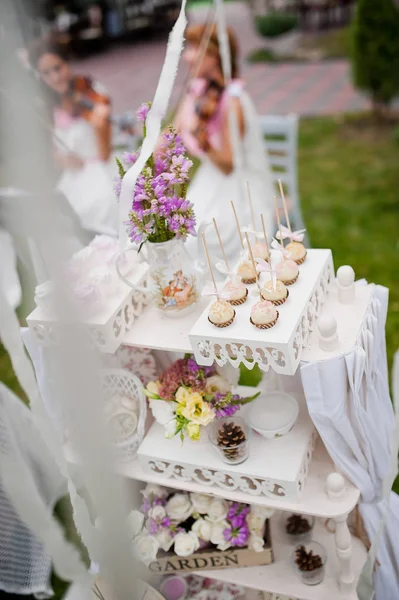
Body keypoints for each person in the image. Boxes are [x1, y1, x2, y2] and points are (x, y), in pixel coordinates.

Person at [173, 24, 276, 265]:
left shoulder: (233, 100)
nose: (187, 56)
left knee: (199, 237)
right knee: (178, 228)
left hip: (239, 186)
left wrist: (204, 144)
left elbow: (229, 165)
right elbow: (171, 133)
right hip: (211, 179)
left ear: (215, 55)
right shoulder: (199, 91)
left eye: (195, 49)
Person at [28, 39, 118, 235]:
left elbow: (104, 152)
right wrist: (60, 159)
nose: (54, 77)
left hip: (100, 167)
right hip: (73, 175)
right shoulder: (46, 105)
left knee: (104, 204)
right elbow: (50, 148)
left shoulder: (91, 91)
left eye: (57, 68)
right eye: (46, 73)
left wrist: (99, 122)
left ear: (67, 63)